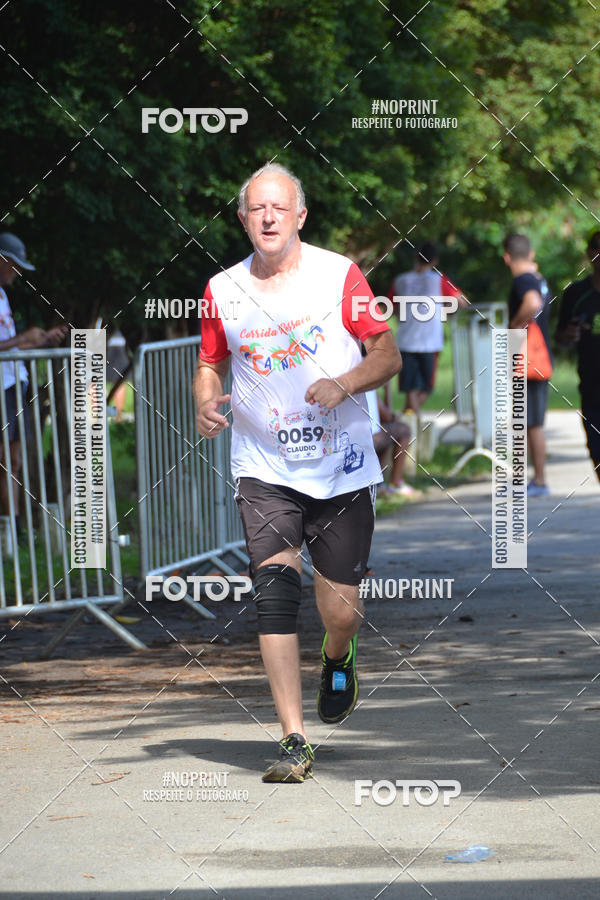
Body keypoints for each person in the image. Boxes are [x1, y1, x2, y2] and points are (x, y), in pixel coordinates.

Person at [194, 163, 401, 783]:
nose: (268, 218)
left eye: (280, 208)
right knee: (273, 597)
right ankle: (292, 737)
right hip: (263, 467)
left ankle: (338, 656)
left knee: (339, 608)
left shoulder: (339, 274)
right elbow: (210, 360)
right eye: (257, 209)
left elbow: (385, 353)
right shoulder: (222, 288)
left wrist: (344, 383)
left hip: (339, 467)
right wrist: (204, 399)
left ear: (300, 217)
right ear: (242, 218)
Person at [0, 233, 67, 534]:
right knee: (5, 461)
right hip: (2, 387)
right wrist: (22, 339)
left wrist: (39, 340)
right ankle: (11, 533)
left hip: (15, 383)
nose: (17, 273)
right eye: (14, 266)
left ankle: (15, 531)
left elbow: (9, 346)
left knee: (13, 461)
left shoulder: (2, 296)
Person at [388, 242, 467, 415]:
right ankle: (410, 425)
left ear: (415, 258)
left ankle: (407, 422)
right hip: (430, 342)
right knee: (426, 388)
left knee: (409, 388)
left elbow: (391, 308)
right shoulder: (439, 280)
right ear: (435, 261)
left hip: (406, 340)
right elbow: (462, 301)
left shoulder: (401, 280)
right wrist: (445, 310)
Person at [502, 233, 553, 497]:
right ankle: (528, 479)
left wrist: (514, 326)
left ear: (507, 257)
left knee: (529, 423)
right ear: (531, 254)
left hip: (527, 360)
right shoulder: (540, 279)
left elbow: (532, 303)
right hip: (539, 358)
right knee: (527, 421)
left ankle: (539, 481)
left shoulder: (523, 280)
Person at [555, 231, 600, 481]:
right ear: (590, 254)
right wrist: (568, 336)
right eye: (597, 249)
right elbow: (560, 338)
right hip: (592, 387)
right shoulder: (575, 293)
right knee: (597, 451)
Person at [365, 388, 415, 495]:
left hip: (350, 438)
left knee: (384, 430)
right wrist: (387, 390)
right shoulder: (367, 387)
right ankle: (395, 483)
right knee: (403, 430)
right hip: (369, 440)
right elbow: (387, 417)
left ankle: (377, 482)